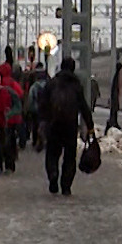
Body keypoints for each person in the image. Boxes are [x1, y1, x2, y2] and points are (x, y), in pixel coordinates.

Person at [42, 56, 96, 196]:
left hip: (54, 125)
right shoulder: (76, 85)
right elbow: (84, 107)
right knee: (70, 157)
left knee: (52, 154)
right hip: (70, 126)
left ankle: (53, 174)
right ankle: (66, 185)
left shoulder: (52, 83)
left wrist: (42, 122)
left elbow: (42, 105)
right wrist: (90, 126)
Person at [106, 58, 122, 131]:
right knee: (114, 110)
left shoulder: (116, 76)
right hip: (114, 97)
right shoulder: (117, 76)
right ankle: (112, 122)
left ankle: (113, 122)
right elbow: (115, 89)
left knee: (114, 111)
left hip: (114, 96)